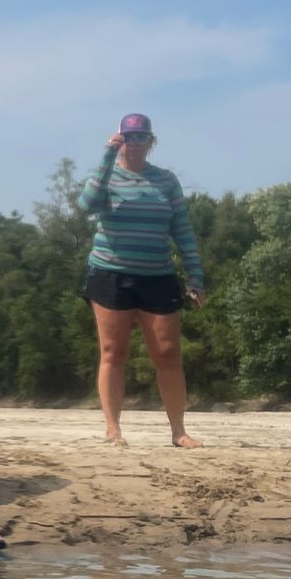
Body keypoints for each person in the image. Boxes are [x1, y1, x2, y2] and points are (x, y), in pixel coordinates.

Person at [78, 112, 206, 448]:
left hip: (158, 275)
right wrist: (107, 156)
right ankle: (113, 429)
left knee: (167, 352)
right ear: (119, 140)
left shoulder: (166, 181)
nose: (134, 143)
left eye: (141, 137)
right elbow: (86, 204)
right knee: (113, 351)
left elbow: (183, 230)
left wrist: (195, 275)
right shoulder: (106, 175)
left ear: (151, 142)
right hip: (110, 273)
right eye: (128, 137)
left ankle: (179, 431)